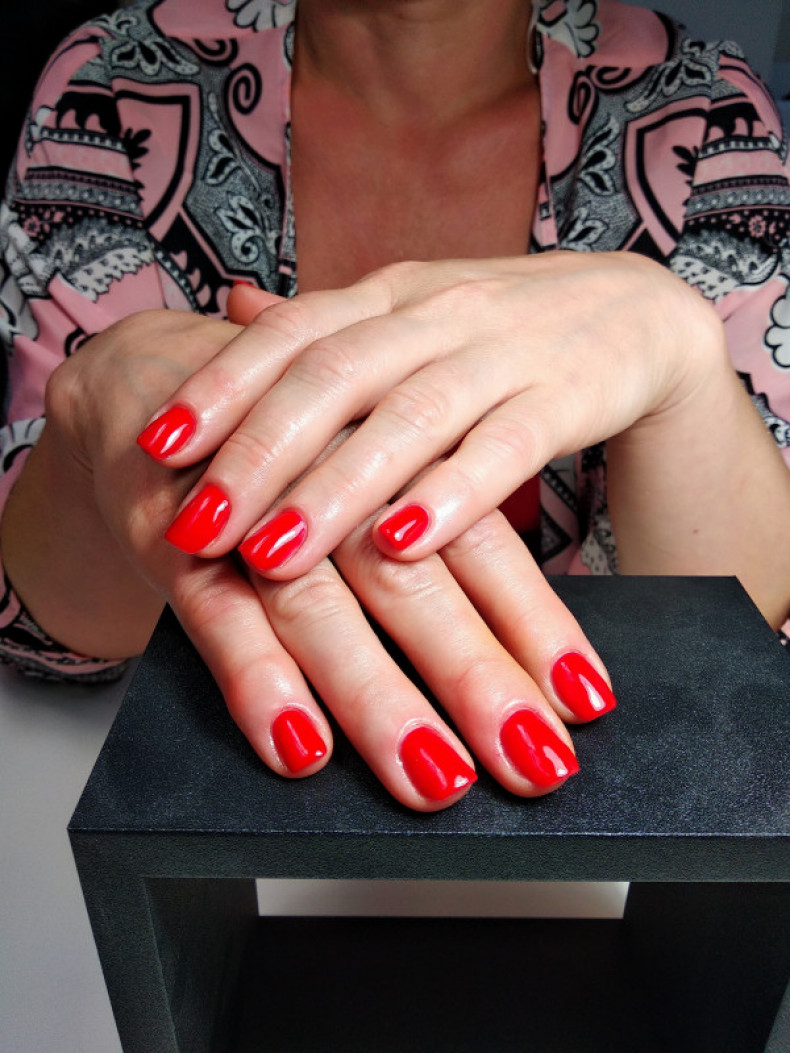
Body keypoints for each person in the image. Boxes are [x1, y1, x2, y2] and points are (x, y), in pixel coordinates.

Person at [1, 0, 788, 811]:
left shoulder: (706, 111)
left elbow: (745, 647)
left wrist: (684, 362)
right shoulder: (116, 83)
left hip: (603, 824)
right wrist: (92, 422)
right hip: (191, 792)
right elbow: (50, 644)